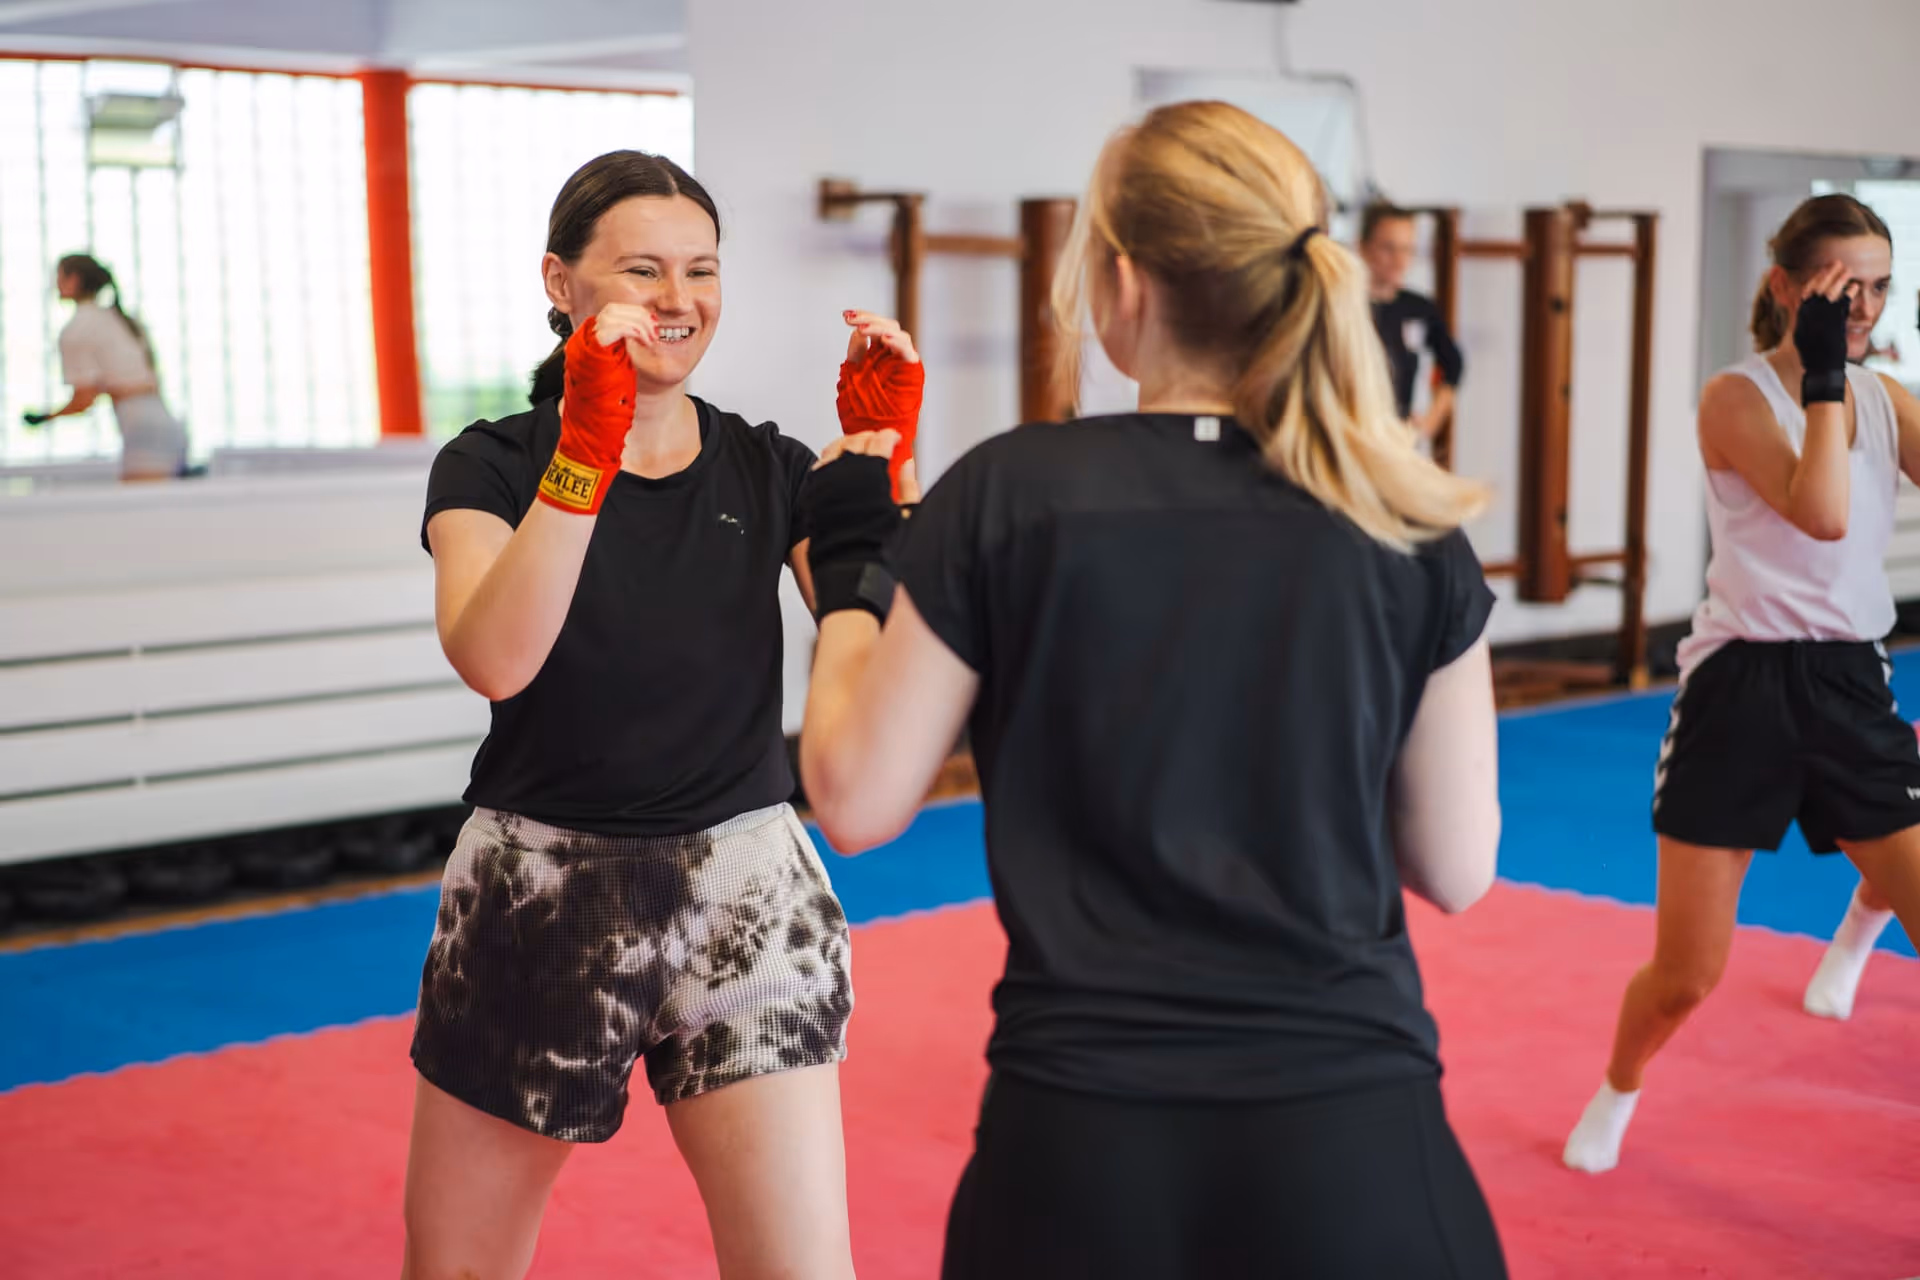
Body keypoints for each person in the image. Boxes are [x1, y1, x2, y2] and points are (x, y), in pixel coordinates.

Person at [795, 101, 1509, 1278]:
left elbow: (856, 802)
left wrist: (855, 573)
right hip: (1354, 1140)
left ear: (1123, 281)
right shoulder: (1405, 516)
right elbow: (1460, 868)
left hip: (1081, 1146)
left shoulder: (1009, 493)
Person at [403, 148, 919, 1280]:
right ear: (561, 282)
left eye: (703, 269)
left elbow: (878, 667)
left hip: (750, 888)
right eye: (643, 270)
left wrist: (878, 489)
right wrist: (585, 455)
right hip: (541, 891)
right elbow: (496, 657)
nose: (679, 300)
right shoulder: (488, 465)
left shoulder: (766, 463)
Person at [1563, 193, 1920, 1175]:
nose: (1862, 307)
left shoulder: (1888, 399)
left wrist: (1852, 377)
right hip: (1741, 689)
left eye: (1879, 288)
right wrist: (1823, 374)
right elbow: (1822, 512)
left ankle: (1859, 921)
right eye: (1842, 286)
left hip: (1849, 679)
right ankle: (1618, 1084)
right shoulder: (1734, 396)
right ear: (1785, 285)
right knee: (1687, 973)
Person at [21, 253, 187, 480]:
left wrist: (44, 418)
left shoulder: (77, 330)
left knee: (144, 510)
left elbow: (84, 399)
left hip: (141, 429)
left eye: (59, 277)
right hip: (167, 422)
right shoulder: (123, 319)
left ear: (75, 280)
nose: (55, 284)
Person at [1360, 203, 1464, 443]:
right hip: (1353, 437)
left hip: (1397, 438)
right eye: (1388, 248)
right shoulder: (1344, 307)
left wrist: (1429, 423)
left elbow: (1454, 364)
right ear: (1364, 247)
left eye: (1407, 249)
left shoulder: (1418, 308)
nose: (1398, 260)